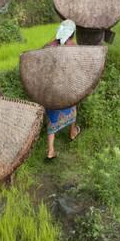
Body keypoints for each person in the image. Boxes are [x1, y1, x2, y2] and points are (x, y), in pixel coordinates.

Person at [44, 20, 82, 159]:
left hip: (51, 88)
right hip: (67, 87)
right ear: (73, 33)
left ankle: (50, 150)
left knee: (52, 114)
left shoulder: (48, 46)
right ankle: (72, 132)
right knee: (72, 107)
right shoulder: (73, 46)